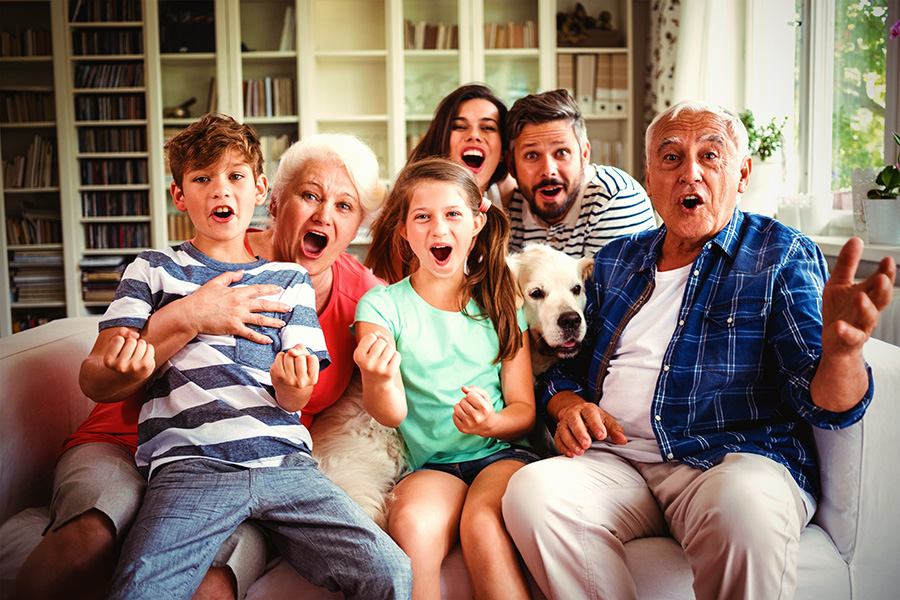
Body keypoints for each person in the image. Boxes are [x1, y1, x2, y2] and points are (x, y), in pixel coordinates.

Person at [501, 101, 896, 599]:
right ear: (649, 176)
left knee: (744, 504)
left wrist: (842, 354)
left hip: (732, 460)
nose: (690, 173)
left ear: (742, 173)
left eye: (711, 156)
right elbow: (568, 366)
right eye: (670, 158)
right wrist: (566, 404)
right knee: (533, 493)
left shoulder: (780, 254)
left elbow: (825, 406)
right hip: (617, 462)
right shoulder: (618, 259)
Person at [9, 128, 396, 600]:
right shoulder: (176, 263)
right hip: (133, 441)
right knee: (91, 534)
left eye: (345, 206)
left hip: (257, 458)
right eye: (308, 196)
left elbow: (392, 379)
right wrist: (190, 315)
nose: (323, 215)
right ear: (273, 199)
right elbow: (97, 375)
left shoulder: (364, 300)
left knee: (212, 583)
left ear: (360, 223)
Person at [354, 158, 539, 599]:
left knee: (482, 523)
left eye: (453, 214)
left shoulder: (501, 299)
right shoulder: (381, 307)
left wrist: (490, 424)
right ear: (403, 229)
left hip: (500, 454)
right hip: (433, 465)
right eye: (423, 216)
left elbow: (524, 411)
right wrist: (377, 378)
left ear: (477, 222)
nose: (438, 229)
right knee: (412, 523)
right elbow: (390, 412)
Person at [367, 83, 515, 283]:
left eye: (488, 127)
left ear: (502, 154)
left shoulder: (502, 197)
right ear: (442, 142)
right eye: (460, 127)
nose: (474, 135)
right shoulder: (410, 220)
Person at [504, 88, 656, 257]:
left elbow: (606, 283)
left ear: (584, 155)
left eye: (561, 152)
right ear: (511, 164)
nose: (548, 171)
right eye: (532, 155)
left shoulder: (616, 198)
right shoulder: (510, 206)